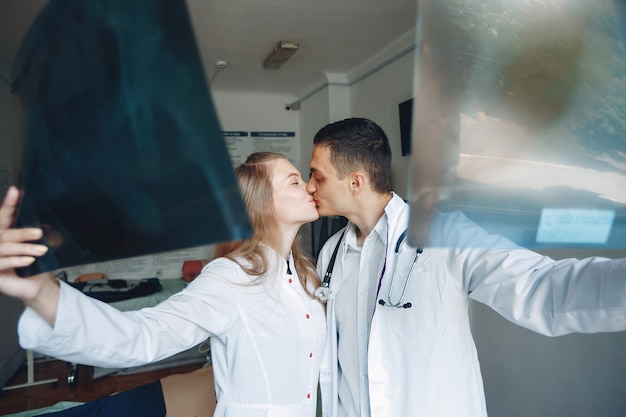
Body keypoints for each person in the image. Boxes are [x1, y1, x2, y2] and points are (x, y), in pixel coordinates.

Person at [306, 117, 626, 417]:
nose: (309, 187)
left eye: (317, 177)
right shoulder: (331, 254)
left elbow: (538, 283)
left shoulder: (444, 236)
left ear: (356, 182)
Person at [0, 151, 325, 417]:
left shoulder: (305, 276)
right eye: (294, 181)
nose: (310, 187)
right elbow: (143, 336)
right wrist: (42, 292)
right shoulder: (231, 277)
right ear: (262, 204)